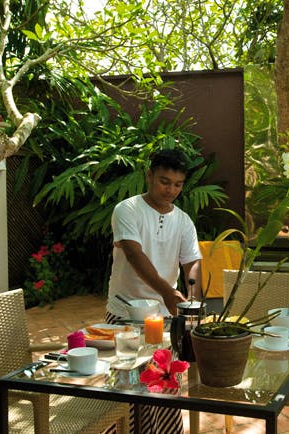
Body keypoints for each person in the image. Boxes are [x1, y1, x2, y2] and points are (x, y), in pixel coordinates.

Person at [105, 148, 202, 434]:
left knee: (163, 391)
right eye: (164, 181)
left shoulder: (183, 220)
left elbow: (192, 262)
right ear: (148, 176)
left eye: (178, 184)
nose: (171, 190)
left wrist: (192, 300)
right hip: (123, 314)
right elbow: (135, 256)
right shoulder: (128, 210)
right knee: (127, 389)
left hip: (163, 320)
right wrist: (169, 293)